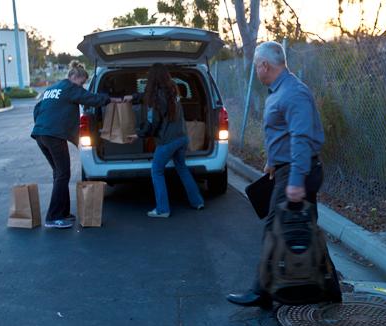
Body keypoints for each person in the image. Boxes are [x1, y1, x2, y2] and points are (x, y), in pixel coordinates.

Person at [226, 41, 340, 308]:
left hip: (296, 171)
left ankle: (261, 291)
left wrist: (296, 180)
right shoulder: (280, 90)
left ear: (265, 65)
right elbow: (284, 134)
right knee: (306, 227)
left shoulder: (293, 93)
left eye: (256, 65)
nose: (255, 70)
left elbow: (301, 138)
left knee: (273, 228)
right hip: (286, 167)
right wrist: (271, 161)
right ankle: (331, 287)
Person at [31, 60, 121, 229]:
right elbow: (91, 98)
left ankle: (63, 213)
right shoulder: (70, 88)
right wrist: (111, 99)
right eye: (82, 82)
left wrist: (43, 126)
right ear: (74, 77)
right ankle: (53, 217)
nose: (82, 86)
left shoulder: (52, 89)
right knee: (63, 174)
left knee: (59, 174)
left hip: (41, 134)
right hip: (53, 135)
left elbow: (37, 109)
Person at [123, 63, 204, 218]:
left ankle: (162, 209)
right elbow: (149, 97)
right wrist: (133, 97)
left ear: (153, 78)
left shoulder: (157, 97)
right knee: (182, 168)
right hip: (182, 137)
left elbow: (153, 123)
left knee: (156, 170)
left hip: (168, 141)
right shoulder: (173, 90)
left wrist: (139, 134)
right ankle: (197, 201)